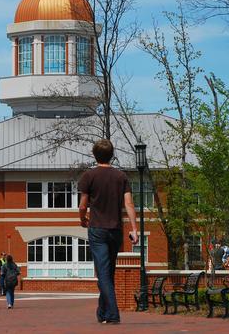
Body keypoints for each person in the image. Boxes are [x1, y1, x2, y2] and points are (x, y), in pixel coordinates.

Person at [78, 139, 139, 325]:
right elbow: (129, 204)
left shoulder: (89, 176)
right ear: (112, 155)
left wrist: (82, 219)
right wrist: (135, 230)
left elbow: (82, 205)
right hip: (115, 230)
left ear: (94, 155)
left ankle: (113, 314)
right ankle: (102, 312)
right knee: (108, 272)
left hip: (97, 230)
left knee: (103, 274)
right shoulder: (121, 177)